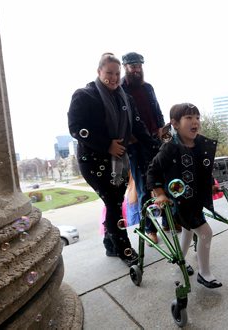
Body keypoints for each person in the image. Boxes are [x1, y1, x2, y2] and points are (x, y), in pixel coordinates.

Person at [68, 52, 158, 267]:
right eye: (109, 72)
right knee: (114, 203)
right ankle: (124, 250)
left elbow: (138, 126)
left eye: (117, 73)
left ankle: (110, 244)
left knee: (114, 203)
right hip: (93, 160)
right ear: (99, 71)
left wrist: (157, 148)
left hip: (119, 159)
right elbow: (76, 128)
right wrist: (106, 144)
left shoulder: (125, 97)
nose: (114, 78)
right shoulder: (84, 95)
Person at [147, 103, 222, 288]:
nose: (195, 121)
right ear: (175, 123)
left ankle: (180, 259)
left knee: (189, 230)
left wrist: (211, 184)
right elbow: (153, 171)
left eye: (197, 117)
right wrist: (160, 194)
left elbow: (203, 171)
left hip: (193, 199)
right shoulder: (170, 148)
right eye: (189, 118)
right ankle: (204, 274)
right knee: (205, 232)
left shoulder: (199, 146)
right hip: (178, 200)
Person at [121, 51, 174, 244]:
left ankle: (167, 221)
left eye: (139, 66)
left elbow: (156, 109)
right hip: (136, 146)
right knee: (144, 188)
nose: (137, 69)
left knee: (163, 181)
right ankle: (150, 229)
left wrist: (161, 127)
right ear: (125, 67)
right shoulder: (120, 89)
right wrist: (129, 138)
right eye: (133, 66)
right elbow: (120, 118)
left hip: (155, 141)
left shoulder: (148, 87)